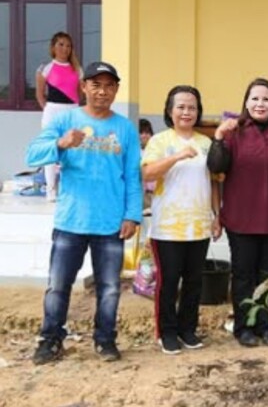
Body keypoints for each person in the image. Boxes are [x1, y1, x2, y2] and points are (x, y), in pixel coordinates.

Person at [26, 61, 142, 364]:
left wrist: (132, 215)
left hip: (110, 223)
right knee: (58, 286)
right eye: (96, 85)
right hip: (71, 220)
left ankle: (105, 340)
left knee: (110, 289)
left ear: (116, 90)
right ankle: (50, 340)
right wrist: (60, 143)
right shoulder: (65, 119)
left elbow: (132, 176)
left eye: (109, 86)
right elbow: (33, 154)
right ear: (84, 87)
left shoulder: (125, 128)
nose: (102, 91)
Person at [207, 78, 268, 347]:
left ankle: (267, 325)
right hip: (241, 218)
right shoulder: (233, 133)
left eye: (266, 99)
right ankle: (244, 327)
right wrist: (217, 137)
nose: (260, 104)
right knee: (243, 275)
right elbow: (215, 166)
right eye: (255, 99)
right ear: (246, 103)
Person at [141, 85, 221, 355]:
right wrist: (176, 156)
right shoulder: (160, 141)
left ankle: (188, 329)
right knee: (168, 281)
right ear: (169, 110)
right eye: (181, 106)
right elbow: (148, 173)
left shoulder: (205, 143)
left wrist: (216, 216)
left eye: (192, 107)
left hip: (198, 225)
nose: (187, 112)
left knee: (194, 281)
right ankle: (167, 331)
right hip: (167, 228)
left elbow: (213, 182)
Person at [35, 32, 83, 202]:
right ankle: (51, 190)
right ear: (53, 47)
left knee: (72, 150)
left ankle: (69, 189)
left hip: (71, 111)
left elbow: (79, 94)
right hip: (52, 110)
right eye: (61, 44)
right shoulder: (45, 68)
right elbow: (40, 94)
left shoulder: (77, 70)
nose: (65, 48)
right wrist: (48, 110)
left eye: (68, 45)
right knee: (51, 150)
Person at [139, 118, 155, 210]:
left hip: (156, 193)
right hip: (142, 194)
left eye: (147, 132)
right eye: (141, 133)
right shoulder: (135, 152)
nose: (144, 136)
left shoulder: (157, 150)